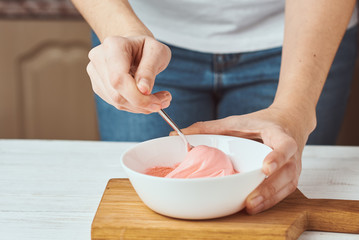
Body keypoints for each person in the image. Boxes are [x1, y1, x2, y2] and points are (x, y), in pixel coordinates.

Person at [71, 0, 358, 214]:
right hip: (141, 37)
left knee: (273, 184)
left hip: (303, 35)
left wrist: (294, 110)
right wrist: (121, 30)